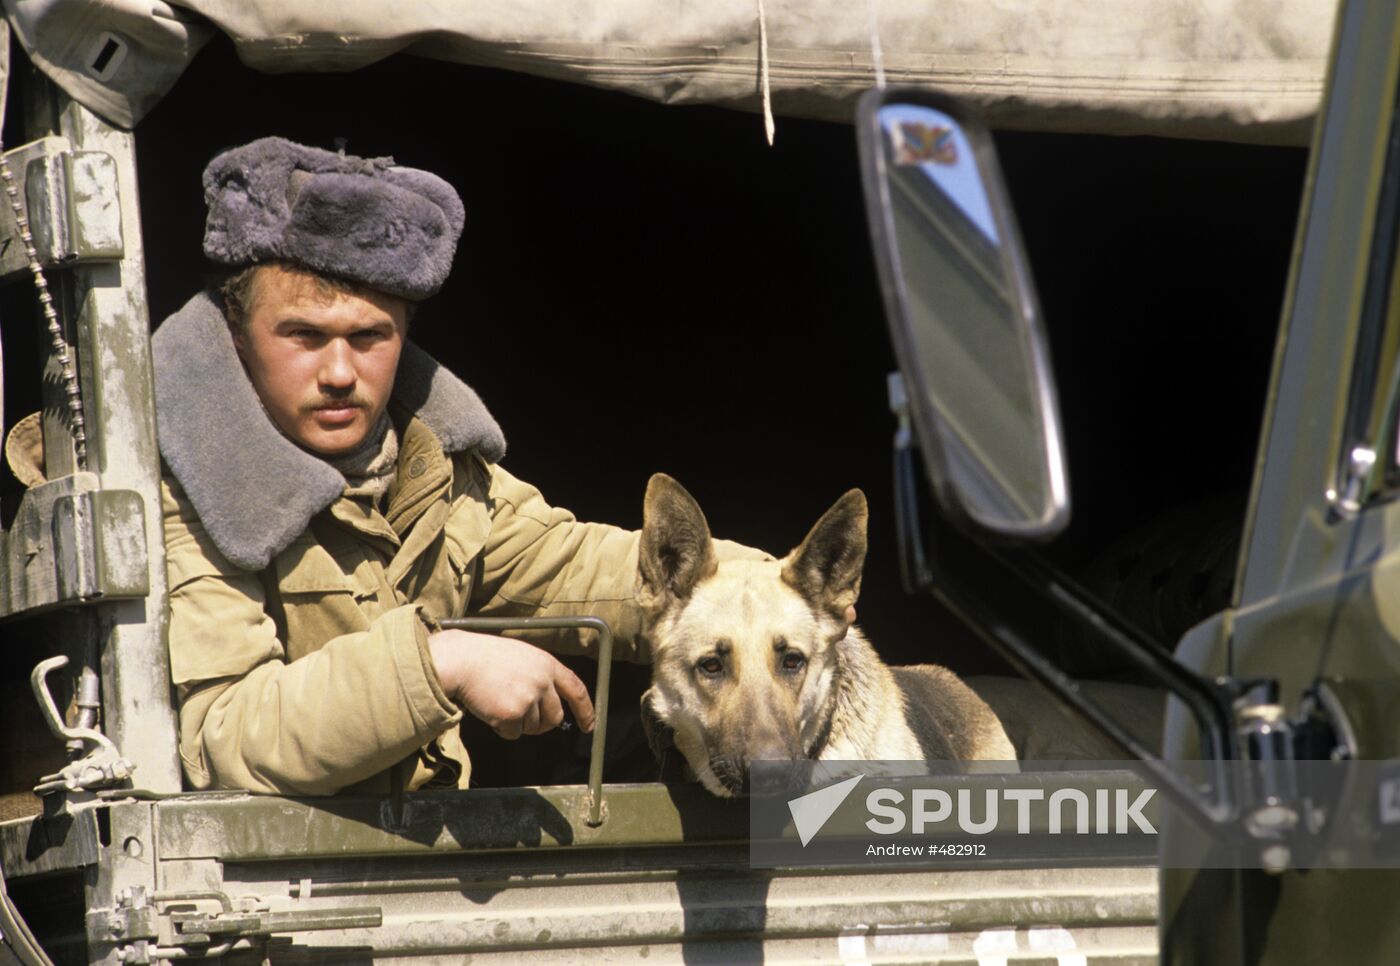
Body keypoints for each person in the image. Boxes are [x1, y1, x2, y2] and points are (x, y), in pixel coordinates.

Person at [153, 137, 760, 795]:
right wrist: (440, 665)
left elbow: (578, 566)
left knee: (829, 812)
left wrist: (775, 595)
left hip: (416, 871)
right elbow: (227, 734)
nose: (337, 373)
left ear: (405, 333)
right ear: (238, 332)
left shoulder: (436, 469)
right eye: (303, 336)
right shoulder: (180, 486)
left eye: (368, 338)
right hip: (269, 888)